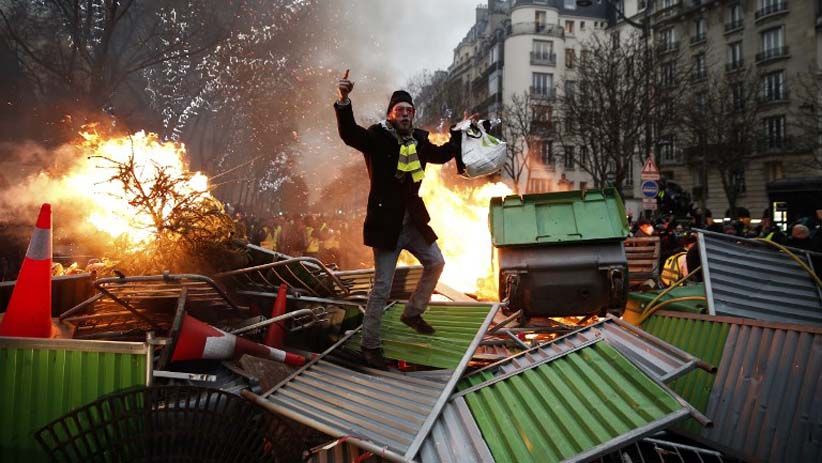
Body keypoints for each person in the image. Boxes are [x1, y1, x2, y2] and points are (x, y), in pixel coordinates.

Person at [334, 70, 463, 369]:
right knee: (382, 287)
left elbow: (443, 155)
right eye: (400, 111)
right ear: (391, 114)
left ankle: (413, 312)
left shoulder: (419, 141)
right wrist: (343, 100)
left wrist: (460, 133)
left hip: (413, 224)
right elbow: (349, 133)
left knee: (437, 262)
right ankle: (370, 346)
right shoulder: (376, 137)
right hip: (386, 226)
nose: (405, 115)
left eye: (409, 111)